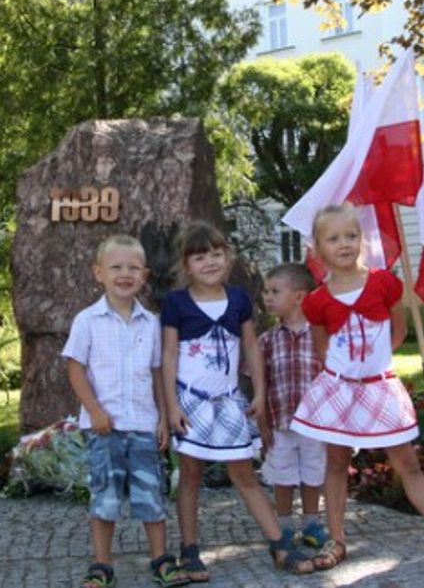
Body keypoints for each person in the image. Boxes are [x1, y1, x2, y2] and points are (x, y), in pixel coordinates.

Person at [290, 204, 424, 574]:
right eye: (333, 238)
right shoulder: (316, 301)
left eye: (351, 235)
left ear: (362, 239)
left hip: (379, 389)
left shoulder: (384, 283)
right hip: (339, 392)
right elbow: (322, 348)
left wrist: (373, 368)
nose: (344, 244)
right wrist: (347, 374)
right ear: (318, 249)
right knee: (336, 463)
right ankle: (337, 540)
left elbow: (397, 332)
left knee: (407, 465)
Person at [160, 221, 308, 581]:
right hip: (191, 402)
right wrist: (172, 407)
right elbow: (168, 356)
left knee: (244, 473)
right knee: (190, 475)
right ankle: (189, 550)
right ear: (185, 264)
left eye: (216, 253)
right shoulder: (176, 303)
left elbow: (251, 347)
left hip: (228, 402)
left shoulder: (239, 298)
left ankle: (279, 544)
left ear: (227, 257)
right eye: (199, 257)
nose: (210, 262)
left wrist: (259, 391)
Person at [62, 235, 188, 588]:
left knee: (151, 494)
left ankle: (161, 559)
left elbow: (156, 373)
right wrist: (95, 411)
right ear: (98, 273)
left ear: (144, 275)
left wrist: (162, 418)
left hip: (144, 425)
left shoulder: (151, 323)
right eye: (115, 267)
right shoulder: (87, 321)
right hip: (104, 428)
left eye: (133, 268)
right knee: (105, 497)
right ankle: (102, 566)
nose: (124, 274)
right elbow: (75, 369)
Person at [259, 262, 328, 548]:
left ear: (299, 296)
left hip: (315, 422)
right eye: (265, 291)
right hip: (281, 421)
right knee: (282, 474)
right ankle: (284, 526)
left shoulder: (321, 335)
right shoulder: (267, 340)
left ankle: (312, 523)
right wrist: (262, 423)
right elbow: (260, 385)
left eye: (275, 291)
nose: (267, 297)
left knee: (313, 471)